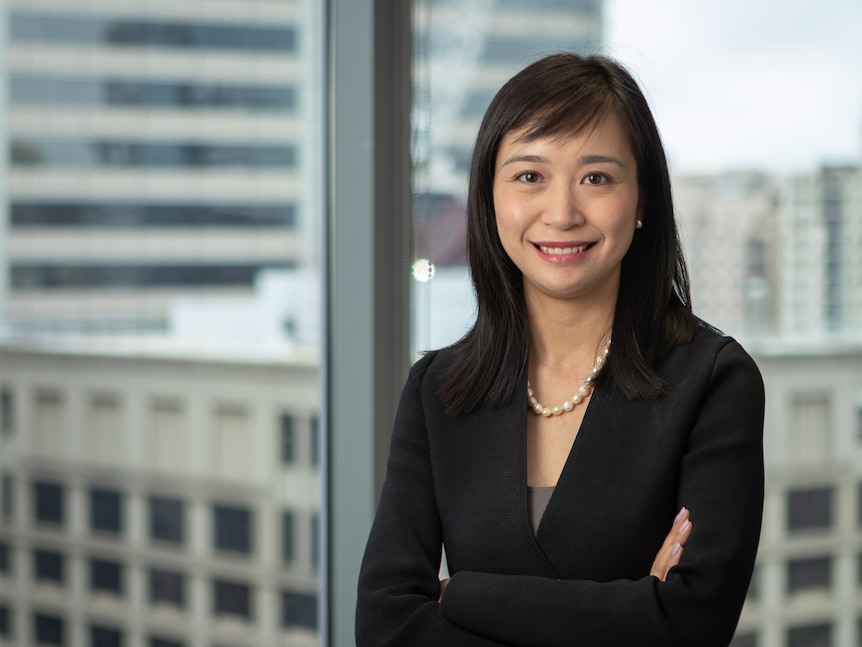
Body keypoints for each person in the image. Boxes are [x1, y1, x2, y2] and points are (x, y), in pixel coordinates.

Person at [356, 52, 764, 646]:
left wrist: (462, 595)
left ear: (644, 198)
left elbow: (689, 627)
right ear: (489, 198)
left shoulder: (714, 383)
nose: (563, 212)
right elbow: (385, 625)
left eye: (596, 177)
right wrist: (631, 612)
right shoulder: (437, 390)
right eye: (529, 176)